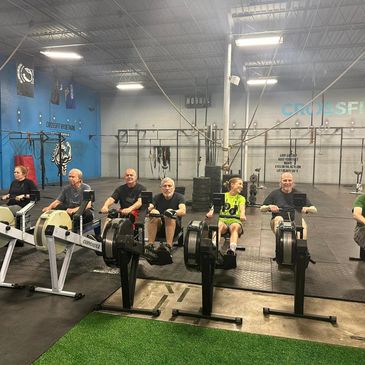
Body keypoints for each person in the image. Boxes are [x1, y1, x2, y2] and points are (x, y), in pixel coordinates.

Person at [260, 172, 317, 239]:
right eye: (285, 180)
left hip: (295, 220)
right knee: (279, 219)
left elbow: (314, 210)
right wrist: (269, 207)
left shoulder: (299, 194)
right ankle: (281, 243)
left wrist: (307, 209)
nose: (287, 183)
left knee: (302, 223)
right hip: (278, 219)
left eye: (289, 180)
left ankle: (301, 245)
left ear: (293, 182)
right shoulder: (274, 194)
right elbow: (262, 208)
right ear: (280, 182)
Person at [206, 177, 246, 255]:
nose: (242, 186)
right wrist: (211, 212)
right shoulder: (223, 196)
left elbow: (242, 208)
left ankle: (232, 249)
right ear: (232, 185)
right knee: (219, 226)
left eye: (242, 184)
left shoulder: (241, 198)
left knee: (234, 227)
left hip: (235, 220)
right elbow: (214, 206)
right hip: (223, 221)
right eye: (240, 184)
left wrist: (242, 214)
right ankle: (213, 245)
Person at [147, 177, 186, 253]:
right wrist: (148, 208)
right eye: (164, 186)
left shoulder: (179, 197)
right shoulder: (157, 197)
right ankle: (150, 245)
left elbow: (183, 211)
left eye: (169, 186)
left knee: (169, 213)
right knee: (154, 212)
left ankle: (168, 246)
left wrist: (172, 212)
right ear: (161, 188)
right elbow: (150, 206)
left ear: (174, 188)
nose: (167, 188)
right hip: (160, 228)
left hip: (174, 228)